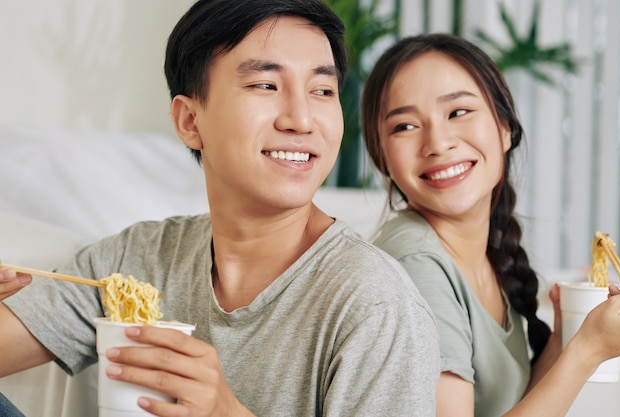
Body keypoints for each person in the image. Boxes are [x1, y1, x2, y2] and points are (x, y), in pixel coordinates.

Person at [0, 1, 441, 416]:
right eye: (266, 85)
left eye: (322, 90)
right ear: (190, 121)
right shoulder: (134, 262)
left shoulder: (375, 305)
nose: (302, 119)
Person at [361, 32, 620, 417]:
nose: (437, 143)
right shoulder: (416, 265)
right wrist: (587, 352)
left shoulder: (481, 251)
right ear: (382, 157)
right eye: (404, 126)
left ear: (505, 127)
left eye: (458, 112)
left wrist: (561, 343)